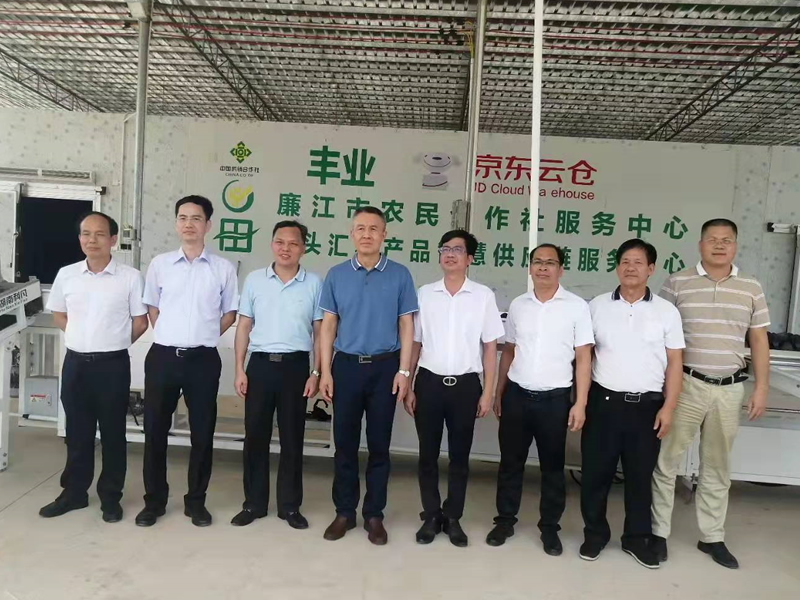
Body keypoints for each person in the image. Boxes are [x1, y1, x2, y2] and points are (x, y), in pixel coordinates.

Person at [651, 218, 770, 569]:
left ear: (735, 246)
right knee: (666, 461)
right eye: (713, 239)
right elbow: (660, 336)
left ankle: (712, 537)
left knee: (717, 466)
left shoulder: (751, 287)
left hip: (729, 388)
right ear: (700, 244)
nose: (719, 245)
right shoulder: (677, 283)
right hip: (686, 384)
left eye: (726, 240)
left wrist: (761, 387)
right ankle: (658, 534)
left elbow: (758, 339)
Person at [580, 238, 684, 569]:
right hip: (603, 403)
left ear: (651, 269)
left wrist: (668, 407)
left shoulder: (666, 311)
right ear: (616, 267)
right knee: (595, 474)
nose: (630, 267)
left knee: (640, 478)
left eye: (638, 262)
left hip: (646, 407)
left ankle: (636, 539)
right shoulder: (596, 306)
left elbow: (675, 362)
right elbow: (584, 356)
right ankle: (595, 534)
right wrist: (580, 402)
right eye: (625, 261)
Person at [136, 195, 238, 528]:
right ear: (176, 223)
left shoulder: (223, 268)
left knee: (202, 433)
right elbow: (152, 308)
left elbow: (229, 313)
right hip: (163, 356)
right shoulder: (160, 264)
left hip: (203, 360)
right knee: (155, 431)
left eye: (196, 218)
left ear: (209, 225)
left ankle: (196, 502)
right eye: (183, 217)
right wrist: (172, 335)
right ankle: (154, 502)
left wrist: (204, 335)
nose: (189, 224)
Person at [318, 206, 418, 545]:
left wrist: (404, 371)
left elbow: (406, 325)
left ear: (384, 235)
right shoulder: (337, 274)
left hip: (385, 368)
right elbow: (328, 325)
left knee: (379, 445)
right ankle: (344, 512)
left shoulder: (400, 275)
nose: (366, 234)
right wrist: (325, 371)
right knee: (344, 445)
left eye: (374, 228)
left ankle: (374, 514)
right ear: (351, 234)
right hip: (346, 367)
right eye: (360, 228)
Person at [485, 243, 594, 556]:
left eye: (550, 263)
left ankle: (549, 528)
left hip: (555, 401)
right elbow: (510, 350)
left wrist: (580, 403)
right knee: (510, 463)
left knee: (552, 468)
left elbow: (583, 358)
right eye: (537, 262)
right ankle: (505, 521)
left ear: (561, 269)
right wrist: (499, 390)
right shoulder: (519, 305)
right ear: (530, 267)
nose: (543, 268)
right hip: (517, 395)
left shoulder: (576, 307)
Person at [39, 211, 148, 523]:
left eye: (100, 234)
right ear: (79, 239)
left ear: (113, 240)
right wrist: (83, 339)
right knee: (77, 432)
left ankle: (110, 497)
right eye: (86, 234)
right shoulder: (67, 275)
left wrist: (112, 342)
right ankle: (74, 493)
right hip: (76, 364)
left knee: (113, 434)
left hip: (112, 365)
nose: (92, 240)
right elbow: (59, 315)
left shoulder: (130, 277)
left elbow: (140, 322)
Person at [404, 230, 504, 547]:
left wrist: (487, 392)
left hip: (465, 386)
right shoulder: (425, 293)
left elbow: (490, 348)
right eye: (445, 248)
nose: (449, 254)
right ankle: (431, 515)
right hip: (429, 383)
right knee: (427, 455)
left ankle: (454, 517)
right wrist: (408, 384)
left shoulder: (483, 296)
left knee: (460, 457)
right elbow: (416, 343)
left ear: (469, 258)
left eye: (457, 250)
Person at [230, 220, 323, 530]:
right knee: (255, 436)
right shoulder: (255, 280)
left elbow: (320, 331)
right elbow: (244, 326)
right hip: (260, 366)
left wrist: (316, 371)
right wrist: (239, 368)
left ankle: (289, 506)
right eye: (280, 242)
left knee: (292, 438)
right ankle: (253, 504)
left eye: (293, 243)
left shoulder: (314, 283)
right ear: (272, 244)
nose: (286, 248)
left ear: (303, 248)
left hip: (296, 368)